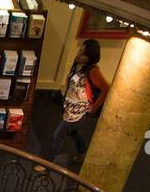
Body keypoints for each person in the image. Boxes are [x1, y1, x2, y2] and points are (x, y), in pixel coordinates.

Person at [46, 39, 110, 167]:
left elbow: (106, 88)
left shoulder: (93, 71)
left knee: (57, 135)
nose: (79, 54)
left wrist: (94, 107)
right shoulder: (77, 64)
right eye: (80, 50)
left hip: (77, 112)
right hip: (69, 106)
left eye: (83, 53)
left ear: (90, 57)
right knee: (74, 132)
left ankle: (49, 163)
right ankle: (82, 153)